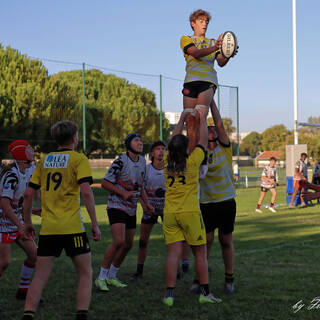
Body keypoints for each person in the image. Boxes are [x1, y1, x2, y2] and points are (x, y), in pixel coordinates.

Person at [21, 121, 101, 320]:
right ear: (74, 138)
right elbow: (86, 192)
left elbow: (29, 194)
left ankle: (28, 314)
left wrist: (27, 221)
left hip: (49, 229)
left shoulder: (44, 161)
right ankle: (81, 314)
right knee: (85, 273)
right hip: (72, 227)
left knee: (40, 275)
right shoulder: (78, 159)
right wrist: (95, 224)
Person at [162, 107, 221, 306]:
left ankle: (169, 296)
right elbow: (203, 140)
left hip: (170, 213)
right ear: (187, 148)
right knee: (201, 254)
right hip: (190, 213)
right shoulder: (193, 160)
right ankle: (205, 293)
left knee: (172, 255)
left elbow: (173, 140)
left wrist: (181, 119)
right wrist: (202, 119)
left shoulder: (164, 161)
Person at [95, 133, 153, 291]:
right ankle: (101, 277)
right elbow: (105, 183)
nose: (140, 142)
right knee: (119, 241)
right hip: (116, 205)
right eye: (136, 140)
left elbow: (140, 187)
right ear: (129, 144)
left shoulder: (142, 162)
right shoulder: (120, 161)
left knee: (128, 244)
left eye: (141, 140)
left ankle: (112, 276)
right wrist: (123, 193)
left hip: (131, 208)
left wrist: (146, 204)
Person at [191, 100, 237, 295]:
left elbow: (219, 123)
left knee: (225, 241)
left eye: (214, 130)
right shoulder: (198, 152)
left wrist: (211, 102)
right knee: (205, 243)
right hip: (207, 204)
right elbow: (195, 130)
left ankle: (229, 279)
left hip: (226, 202)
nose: (212, 131)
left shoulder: (224, 148)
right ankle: (199, 280)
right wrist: (196, 115)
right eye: (207, 129)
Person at [180, 9, 234, 152]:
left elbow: (221, 62)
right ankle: (191, 154)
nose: (205, 24)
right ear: (193, 23)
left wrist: (228, 53)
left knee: (200, 115)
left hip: (207, 81)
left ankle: (201, 154)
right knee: (189, 120)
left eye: (206, 22)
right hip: (190, 81)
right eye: (201, 21)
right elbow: (196, 53)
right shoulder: (186, 39)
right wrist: (215, 47)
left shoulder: (212, 42)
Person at [0, 140, 38, 301]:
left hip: (16, 222)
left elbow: (21, 200)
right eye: (29, 149)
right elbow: (4, 203)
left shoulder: (31, 170)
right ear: (22, 156)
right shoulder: (11, 175)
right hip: (2, 223)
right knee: (4, 262)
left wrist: (30, 215)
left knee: (34, 255)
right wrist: (20, 225)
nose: (33, 150)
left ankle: (23, 291)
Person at [131, 141, 166, 280]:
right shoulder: (146, 170)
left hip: (167, 210)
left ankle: (177, 269)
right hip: (149, 210)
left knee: (172, 241)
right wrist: (144, 206)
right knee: (143, 241)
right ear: (152, 153)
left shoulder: (170, 170)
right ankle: (139, 270)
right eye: (158, 149)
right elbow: (139, 189)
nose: (161, 151)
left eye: (163, 149)